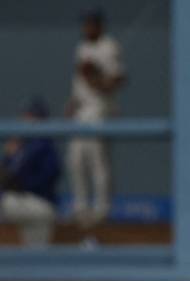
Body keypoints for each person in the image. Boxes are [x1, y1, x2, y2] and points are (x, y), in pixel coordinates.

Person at [66, 8, 125, 245]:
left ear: (99, 26)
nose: (87, 28)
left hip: (100, 110)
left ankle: (102, 210)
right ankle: (81, 208)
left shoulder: (109, 47)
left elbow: (117, 81)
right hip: (81, 110)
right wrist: (72, 103)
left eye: (91, 24)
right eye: (85, 24)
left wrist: (94, 75)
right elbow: (79, 83)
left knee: (98, 162)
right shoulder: (81, 48)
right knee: (75, 160)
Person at [0, 98, 61, 247]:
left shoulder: (43, 145)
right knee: (36, 250)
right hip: (26, 203)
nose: (23, 119)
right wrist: (9, 157)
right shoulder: (24, 145)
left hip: (38, 203)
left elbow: (49, 174)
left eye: (28, 116)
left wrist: (11, 160)